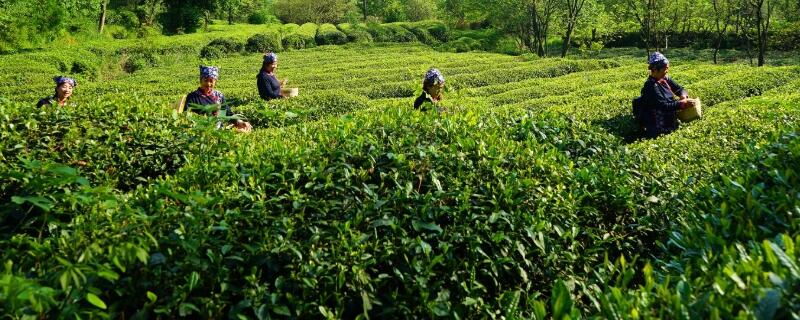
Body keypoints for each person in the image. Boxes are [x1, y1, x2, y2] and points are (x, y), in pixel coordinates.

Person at [635, 52, 696, 138]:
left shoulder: (665, 79)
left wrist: (683, 95)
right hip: (658, 127)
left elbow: (680, 89)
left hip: (670, 121)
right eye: (665, 69)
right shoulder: (651, 86)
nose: (667, 71)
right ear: (656, 69)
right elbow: (663, 106)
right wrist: (682, 103)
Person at [186, 65, 252, 132]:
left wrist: (239, 122)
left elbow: (227, 112)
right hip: (200, 132)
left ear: (215, 81)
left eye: (211, 81)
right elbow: (187, 116)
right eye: (206, 80)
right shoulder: (192, 97)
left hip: (219, 132)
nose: (208, 84)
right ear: (200, 80)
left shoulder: (219, 96)